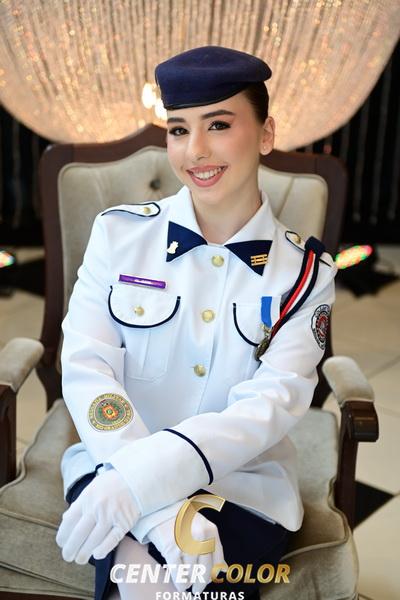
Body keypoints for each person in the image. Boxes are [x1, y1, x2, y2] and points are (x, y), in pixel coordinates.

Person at [56, 46, 337, 600]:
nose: (195, 151)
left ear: (266, 133)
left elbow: (269, 404)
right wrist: (154, 507)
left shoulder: (306, 273)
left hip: (241, 486)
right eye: (179, 130)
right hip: (113, 458)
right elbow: (88, 368)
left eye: (219, 125)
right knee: (147, 582)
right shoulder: (118, 235)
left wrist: (145, 486)